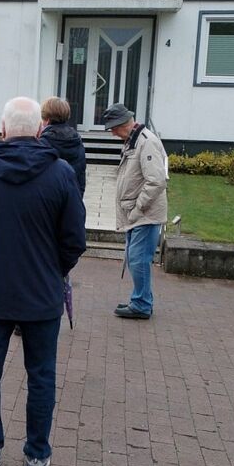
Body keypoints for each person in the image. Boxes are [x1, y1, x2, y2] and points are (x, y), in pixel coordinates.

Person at [0, 97, 86, 466]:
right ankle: (37, 455)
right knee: (41, 374)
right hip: (42, 294)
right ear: (40, 129)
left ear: (3, 129)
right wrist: (54, 270)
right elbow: (74, 240)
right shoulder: (61, 174)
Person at [101, 102, 168, 320]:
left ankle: (141, 304)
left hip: (145, 215)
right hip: (138, 214)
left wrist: (138, 208)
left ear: (124, 124)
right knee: (135, 259)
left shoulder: (146, 142)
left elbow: (156, 181)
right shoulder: (135, 140)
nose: (112, 133)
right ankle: (141, 300)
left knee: (139, 260)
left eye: (113, 128)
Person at [39, 97, 86, 196]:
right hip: (72, 196)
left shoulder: (43, 143)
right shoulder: (77, 140)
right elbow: (81, 174)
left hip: (49, 198)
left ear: (47, 120)